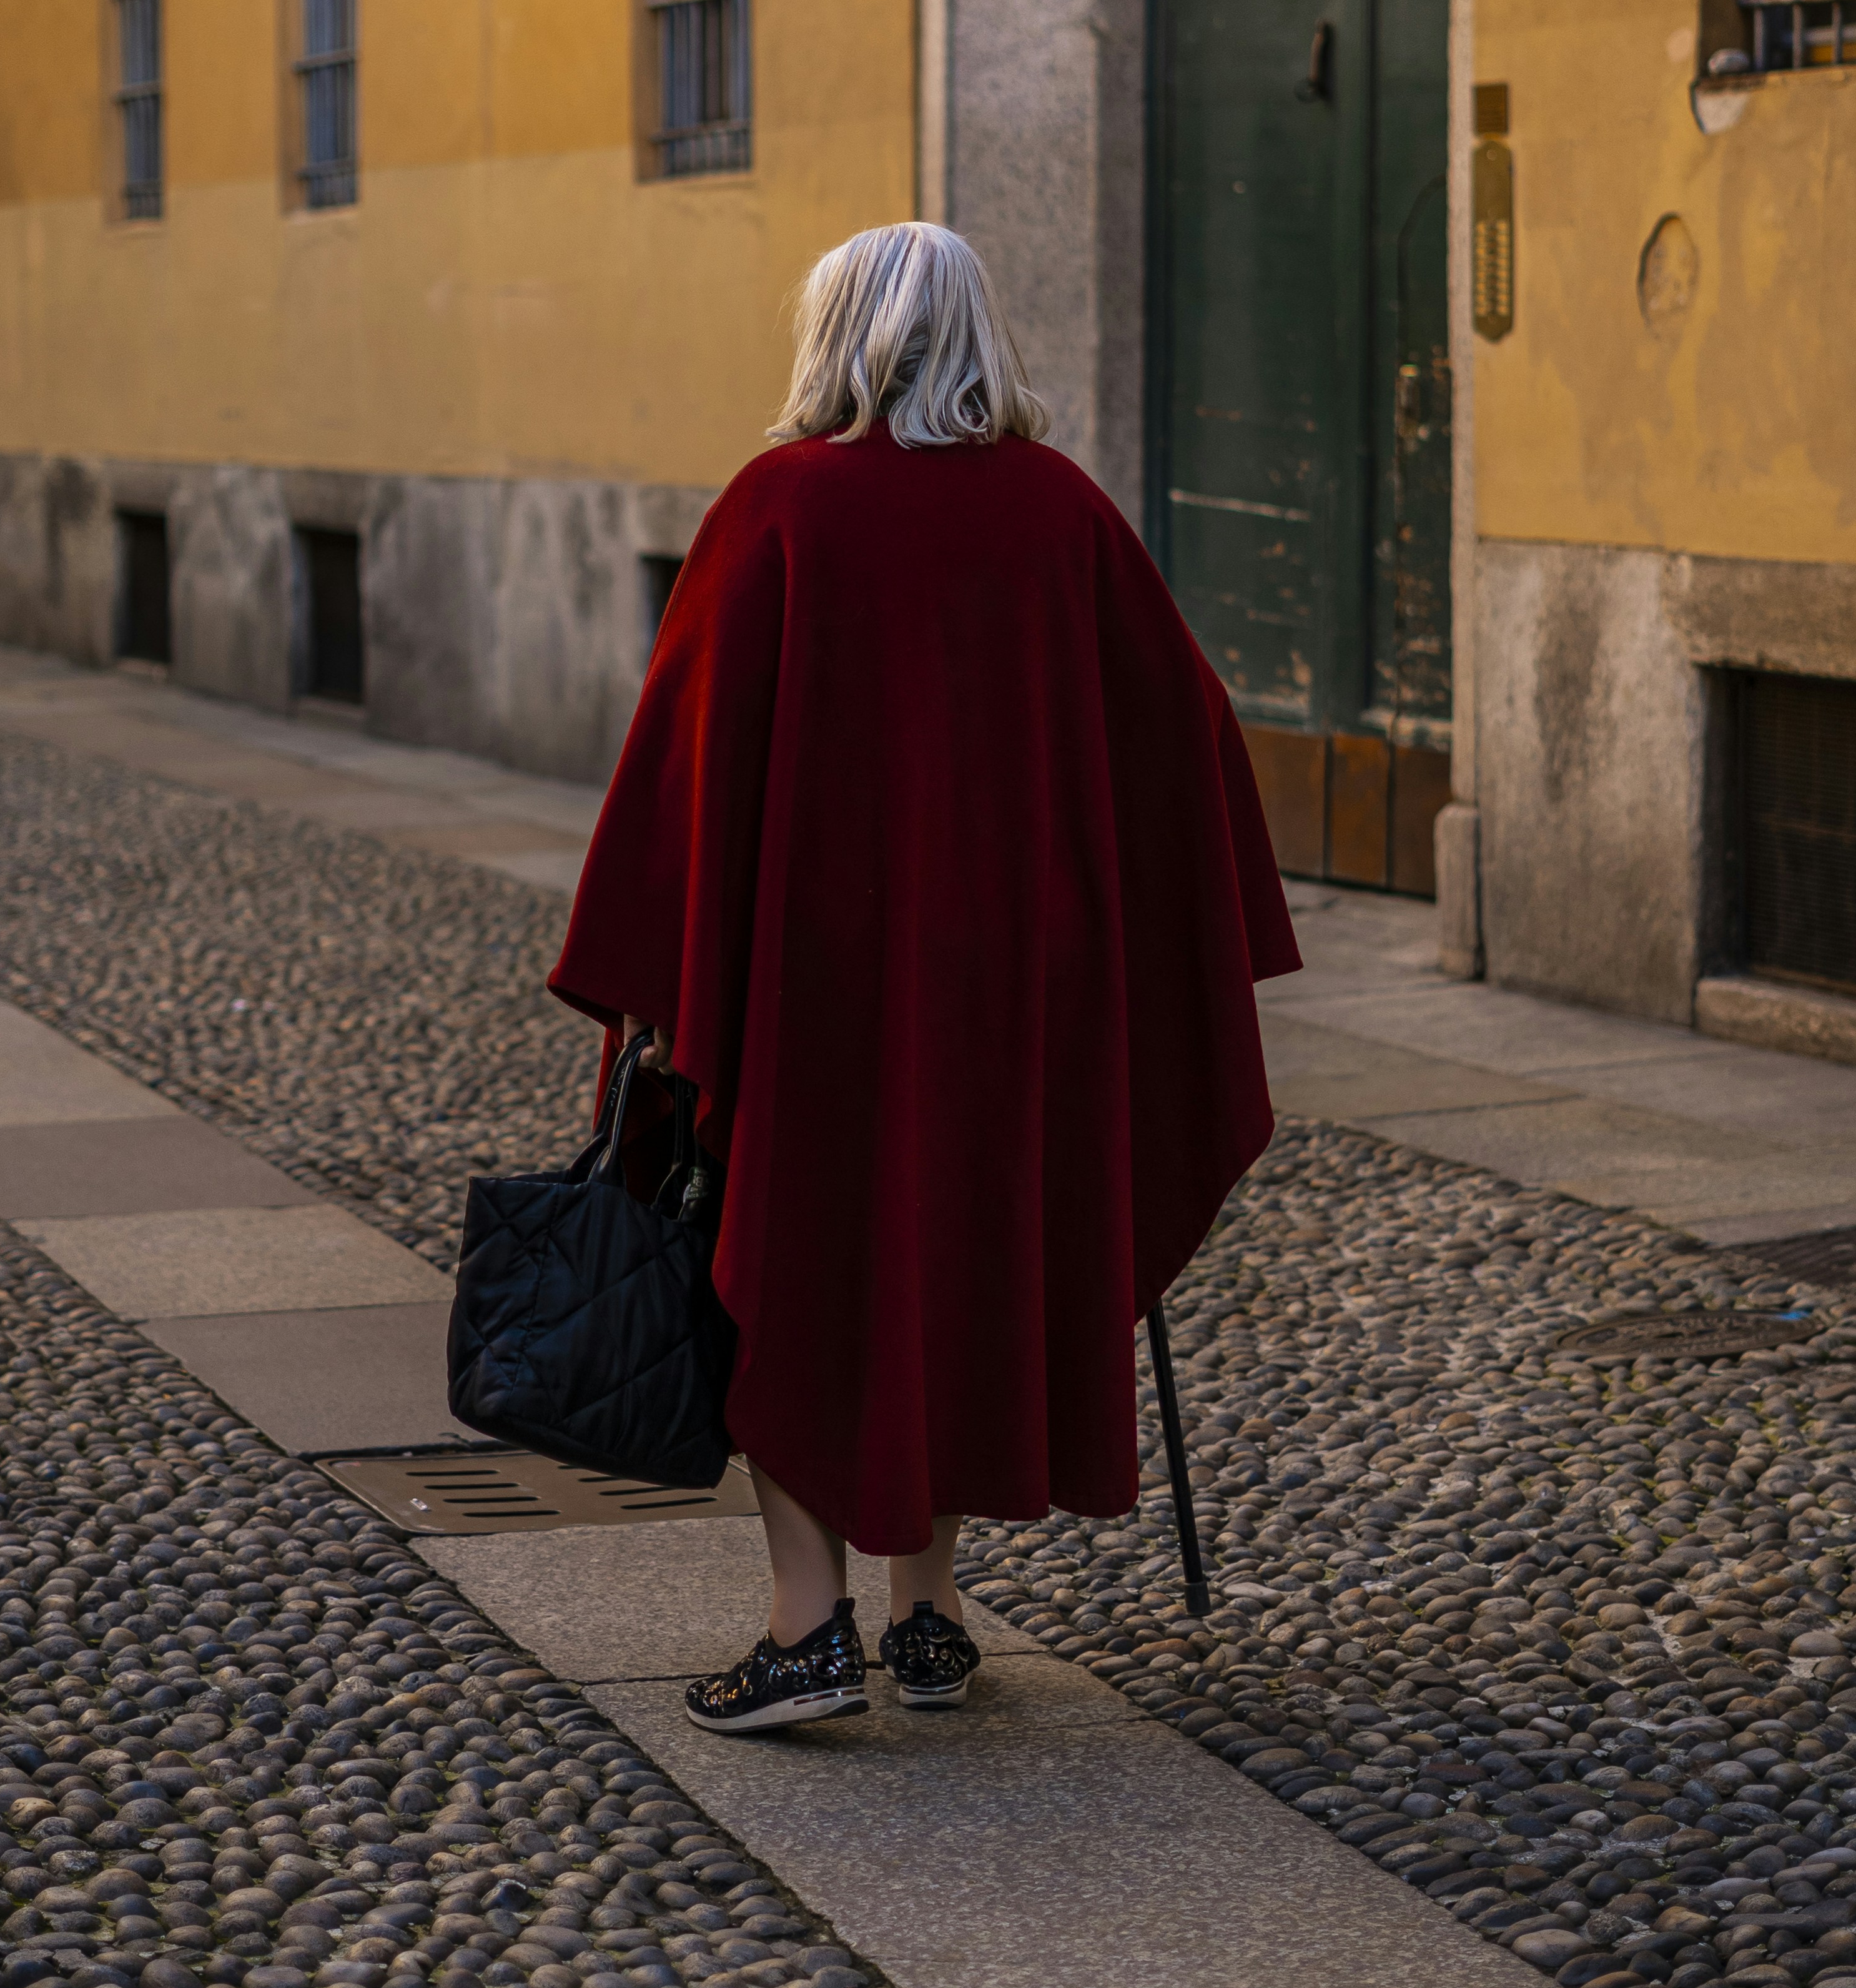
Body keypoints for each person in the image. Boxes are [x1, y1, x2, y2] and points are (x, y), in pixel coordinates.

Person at [548, 222, 1298, 1733]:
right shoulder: (1060, 514)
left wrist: (658, 958)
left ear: (836, 341)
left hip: (816, 989)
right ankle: (930, 1615)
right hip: (1016, 993)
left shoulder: (780, 507)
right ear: (973, 341)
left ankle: (803, 1631)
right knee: (959, 1257)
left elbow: (683, 753)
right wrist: (1122, 925)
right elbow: (1188, 732)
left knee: (790, 1266)